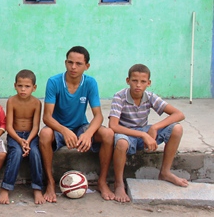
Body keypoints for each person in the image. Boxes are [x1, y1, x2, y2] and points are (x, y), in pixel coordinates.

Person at [39, 46, 115, 202]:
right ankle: (50, 182)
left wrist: (88, 134)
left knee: (108, 134)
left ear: (87, 66)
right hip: (59, 127)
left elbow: (98, 115)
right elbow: (47, 117)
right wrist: (65, 131)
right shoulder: (54, 82)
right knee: (45, 134)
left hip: (81, 127)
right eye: (70, 62)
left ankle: (102, 181)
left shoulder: (90, 83)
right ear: (65, 62)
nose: (73, 67)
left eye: (79, 64)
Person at [109, 64, 188, 203]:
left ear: (149, 83)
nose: (138, 85)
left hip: (144, 132)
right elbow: (113, 126)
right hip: (126, 134)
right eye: (134, 80)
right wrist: (143, 135)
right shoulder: (119, 96)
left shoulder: (150, 96)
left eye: (143, 81)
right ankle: (119, 183)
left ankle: (165, 172)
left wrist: (155, 127)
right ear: (128, 80)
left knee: (177, 128)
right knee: (121, 142)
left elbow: (179, 114)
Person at [0, 69, 45, 205]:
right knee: (16, 152)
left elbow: (36, 126)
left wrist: (28, 141)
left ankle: (37, 188)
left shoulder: (36, 103)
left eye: (27, 86)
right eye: (20, 86)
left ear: (34, 88)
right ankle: (6, 187)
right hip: (15, 135)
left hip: (31, 136)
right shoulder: (12, 101)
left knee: (35, 153)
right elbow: (9, 126)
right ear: (15, 85)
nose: (23, 89)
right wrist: (20, 141)